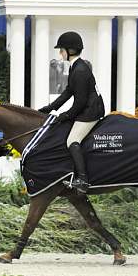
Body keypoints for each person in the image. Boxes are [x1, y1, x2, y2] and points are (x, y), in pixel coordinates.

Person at [38, 31, 105, 193]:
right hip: (86, 107)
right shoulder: (76, 67)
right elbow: (69, 91)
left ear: (71, 51)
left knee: (72, 140)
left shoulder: (80, 71)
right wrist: (51, 107)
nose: (60, 53)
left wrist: (65, 115)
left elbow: (80, 102)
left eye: (62, 50)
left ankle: (82, 179)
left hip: (91, 111)